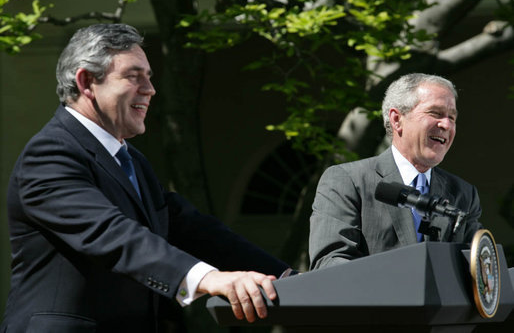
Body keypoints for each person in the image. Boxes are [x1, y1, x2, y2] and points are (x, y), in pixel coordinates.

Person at [1, 23, 294, 332]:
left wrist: (287, 279)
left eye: (149, 77)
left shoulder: (130, 160)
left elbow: (191, 228)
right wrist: (208, 278)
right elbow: (111, 233)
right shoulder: (50, 153)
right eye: (132, 76)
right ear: (87, 82)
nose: (150, 89)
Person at [309, 73, 483, 270]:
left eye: (452, 117)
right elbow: (331, 263)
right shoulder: (348, 181)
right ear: (397, 119)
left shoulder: (463, 194)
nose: (446, 125)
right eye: (435, 113)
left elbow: (481, 270)